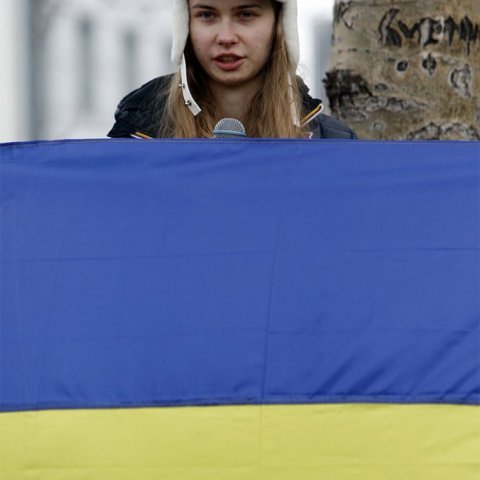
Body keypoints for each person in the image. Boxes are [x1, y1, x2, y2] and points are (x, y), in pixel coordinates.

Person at [108, 0, 357, 139]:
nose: (226, 37)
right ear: (185, 26)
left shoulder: (332, 143)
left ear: (279, 26)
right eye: (207, 15)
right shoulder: (134, 139)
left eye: (245, 14)